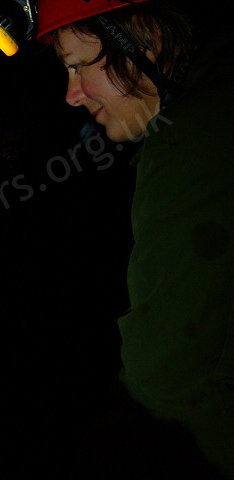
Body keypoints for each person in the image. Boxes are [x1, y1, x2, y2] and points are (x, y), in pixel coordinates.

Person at [33, 0, 234, 477]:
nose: (72, 94)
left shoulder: (192, 139)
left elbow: (168, 383)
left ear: (144, 37)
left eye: (79, 66)